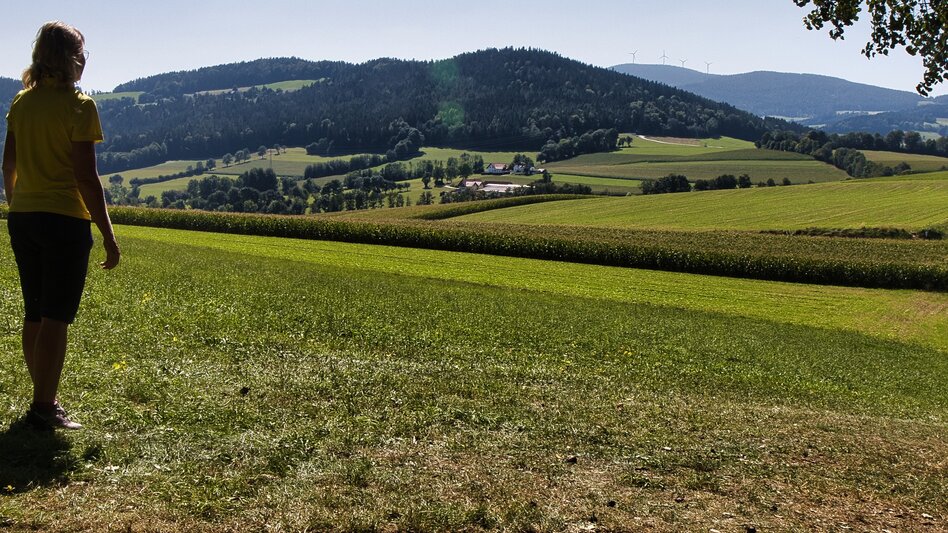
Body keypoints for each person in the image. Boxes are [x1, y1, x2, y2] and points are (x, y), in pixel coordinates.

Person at [2, 21, 120, 430]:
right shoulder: (79, 106)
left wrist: (20, 206)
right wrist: (108, 234)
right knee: (56, 317)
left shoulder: (21, 102)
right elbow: (86, 178)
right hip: (65, 221)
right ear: (74, 59)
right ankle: (44, 407)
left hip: (23, 217)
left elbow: (9, 166)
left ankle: (42, 400)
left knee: (34, 313)